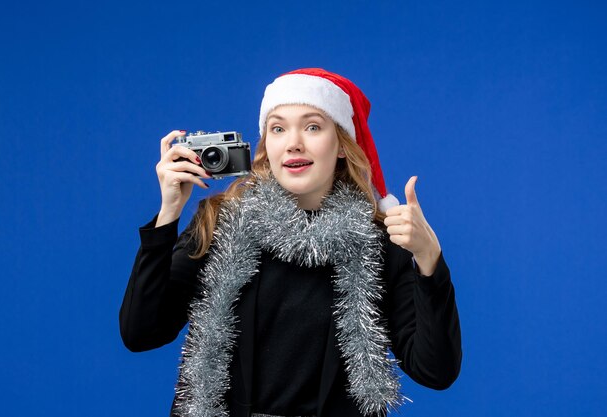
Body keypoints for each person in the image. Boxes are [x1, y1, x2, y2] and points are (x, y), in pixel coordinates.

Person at [120, 68, 462, 417]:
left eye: (313, 126)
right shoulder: (221, 222)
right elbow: (141, 333)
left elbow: (435, 371)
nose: (293, 142)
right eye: (278, 128)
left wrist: (428, 257)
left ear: (343, 145)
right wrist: (168, 215)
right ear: (267, 145)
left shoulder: (379, 242)